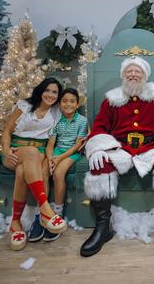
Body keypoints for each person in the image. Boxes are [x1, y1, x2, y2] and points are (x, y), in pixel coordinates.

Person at [80, 56, 154, 257]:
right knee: (99, 164)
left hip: (153, 146)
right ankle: (103, 228)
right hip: (120, 147)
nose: (132, 74)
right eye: (128, 71)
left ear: (145, 75)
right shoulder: (112, 99)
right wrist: (96, 148)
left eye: (137, 71)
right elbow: (100, 127)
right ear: (123, 75)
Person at [1, 77, 68, 251]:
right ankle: (45, 209)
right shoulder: (24, 105)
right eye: (48, 90)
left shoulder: (56, 111)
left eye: (55, 92)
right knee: (26, 159)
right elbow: (7, 131)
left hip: (38, 153)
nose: (51, 95)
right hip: (15, 150)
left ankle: (15, 223)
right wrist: (6, 149)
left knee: (23, 171)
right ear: (40, 90)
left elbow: (73, 122)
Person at [40, 88, 88, 242]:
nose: (68, 104)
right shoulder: (56, 120)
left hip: (71, 153)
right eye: (64, 101)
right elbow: (50, 144)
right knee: (43, 171)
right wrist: (50, 158)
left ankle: (58, 212)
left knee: (59, 173)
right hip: (57, 150)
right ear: (59, 104)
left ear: (77, 104)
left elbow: (76, 146)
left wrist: (59, 159)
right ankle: (44, 210)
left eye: (72, 101)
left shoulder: (82, 121)